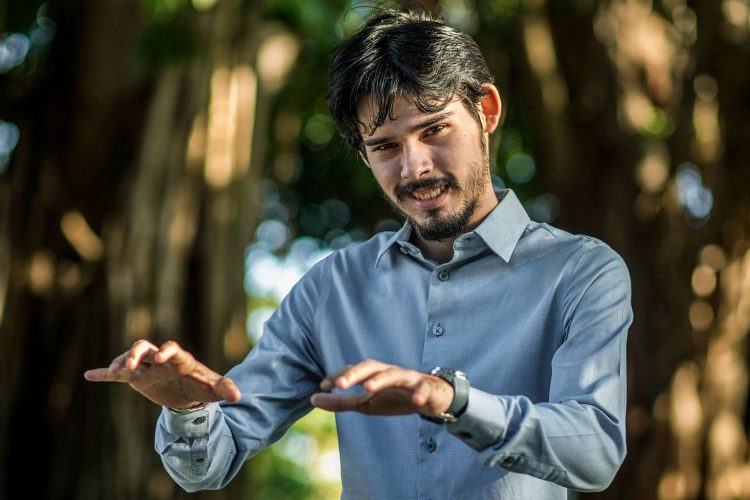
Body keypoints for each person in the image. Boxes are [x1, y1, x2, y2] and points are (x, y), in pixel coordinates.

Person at [85, 10, 632, 499]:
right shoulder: (330, 289)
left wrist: (450, 399)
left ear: (486, 111)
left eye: (434, 129)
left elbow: (596, 452)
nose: (415, 167)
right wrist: (188, 409)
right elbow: (207, 465)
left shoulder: (581, 272)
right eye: (385, 147)